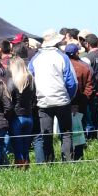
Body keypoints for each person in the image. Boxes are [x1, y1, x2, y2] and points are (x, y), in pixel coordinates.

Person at [28, 29, 78, 162]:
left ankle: (49, 162)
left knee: (47, 134)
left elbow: (30, 80)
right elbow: (72, 82)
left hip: (43, 102)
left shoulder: (35, 59)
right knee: (66, 133)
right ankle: (68, 161)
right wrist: (69, 97)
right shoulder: (62, 57)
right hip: (62, 100)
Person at [63, 43, 94, 160]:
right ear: (77, 53)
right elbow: (89, 87)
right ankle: (79, 156)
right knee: (79, 130)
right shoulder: (85, 68)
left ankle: (66, 156)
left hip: (64, 104)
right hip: (80, 104)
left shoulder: (62, 67)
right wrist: (82, 103)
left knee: (65, 132)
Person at [7, 57, 36, 168]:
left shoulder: (12, 80)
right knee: (26, 145)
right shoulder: (31, 79)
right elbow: (34, 98)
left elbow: (9, 100)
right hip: (29, 116)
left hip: (16, 118)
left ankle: (20, 167)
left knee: (17, 146)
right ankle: (26, 166)